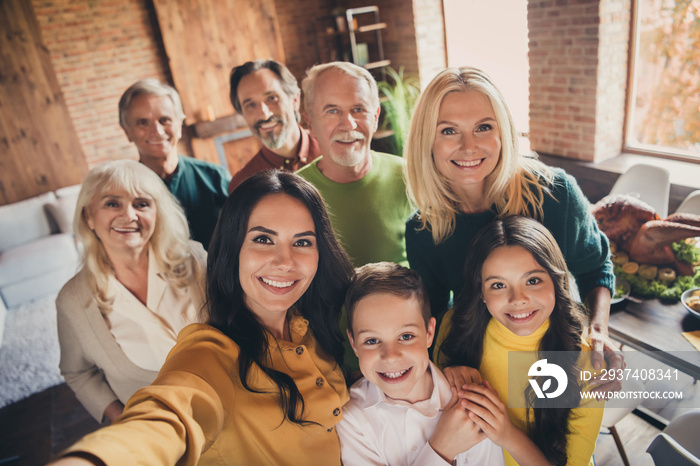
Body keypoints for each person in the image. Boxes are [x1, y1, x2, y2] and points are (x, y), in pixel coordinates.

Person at [53, 170, 355, 465]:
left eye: (302, 242)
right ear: (232, 248)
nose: (285, 262)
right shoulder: (210, 353)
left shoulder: (315, 320)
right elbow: (168, 413)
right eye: (263, 239)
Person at [404, 66, 616, 368]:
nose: (468, 147)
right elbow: (435, 318)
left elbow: (596, 267)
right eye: (448, 130)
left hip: (558, 358)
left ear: (503, 132)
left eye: (483, 127)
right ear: (427, 141)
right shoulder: (423, 231)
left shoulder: (556, 195)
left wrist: (598, 329)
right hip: (486, 369)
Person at [435, 216, 606, 466]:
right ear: (481, 292)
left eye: (533, 280)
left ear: (557, 282)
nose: (518, 299)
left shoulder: (585, 362)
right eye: (498, 285)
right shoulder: (454, 327)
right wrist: (446, 382)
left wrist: (507, 435)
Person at [56, 159, 207, 423]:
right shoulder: (72, 300)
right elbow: (77, 372)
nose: (129, 215)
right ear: (88, 217)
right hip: (164, 439)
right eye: (112, 203)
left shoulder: (195, 258)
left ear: (157, 213)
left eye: (142, 204)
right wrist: (123, 419)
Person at [336, 262, 504, 466]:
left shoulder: (471, 404)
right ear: (354, 344)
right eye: (372, 341)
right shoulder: (352, 418)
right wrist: (442, 450)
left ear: (429, 333)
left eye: (406, 336)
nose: (390, 356)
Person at [297, 61, 413, 268]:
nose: (348, 124)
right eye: (332, 111)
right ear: (311, 124)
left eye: (358, 109)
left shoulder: (409, 176)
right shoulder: (295, 193)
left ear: (375, 118)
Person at [119, 78, 231, 249]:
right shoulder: (122, 192)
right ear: (127, 131)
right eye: (143, 123)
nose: (156, 131)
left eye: (164, 120)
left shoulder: (215, 177)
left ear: (179, 124)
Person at [227, 59, 322, 192]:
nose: (264, 115)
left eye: (271, 98)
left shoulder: (331, 149)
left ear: (295, 100)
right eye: (250, 105)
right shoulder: (242, 185)